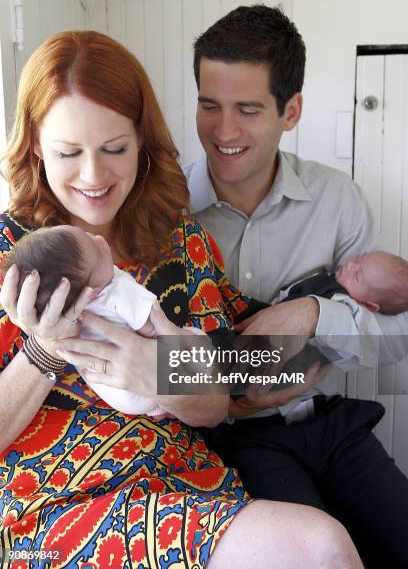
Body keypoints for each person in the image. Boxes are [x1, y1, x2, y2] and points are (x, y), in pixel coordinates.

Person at [0, 30, 362, 568]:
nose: (94, 176)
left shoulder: (181, 243)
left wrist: (162, 372)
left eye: (115, 149)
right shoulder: (11, 253)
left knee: (323, 546)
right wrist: (44, 351)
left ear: (142, 142)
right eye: (68, 152)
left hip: (187, 487)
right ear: (34, 146)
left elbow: (216, 406)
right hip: (57, 504)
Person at [185, 4, 408, 567]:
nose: (224, 130)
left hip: (332, 425)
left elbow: (394, 337)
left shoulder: (338, 199)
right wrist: (228, 404)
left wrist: (312, 313)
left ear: (291, 111)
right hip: (229, 443)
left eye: (248, 109)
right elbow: (152, 357)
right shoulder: (164, 213)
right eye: (209, 105)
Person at [1, 224, 207, 417]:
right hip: (139, 385)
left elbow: (223, 399)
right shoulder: (115, 290)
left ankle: (156, 406)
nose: (99, 238)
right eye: (96, 249)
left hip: (117, 394)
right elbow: (150, 323)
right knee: (197, 341)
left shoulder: (185, 234)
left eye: (89, 236)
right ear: (91, 288)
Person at [280, 250, 408, 314]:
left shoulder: (339, 303)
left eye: (357, 276)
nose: (350, 265)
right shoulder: (334, 281)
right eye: (358, 259)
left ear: (368, 306)